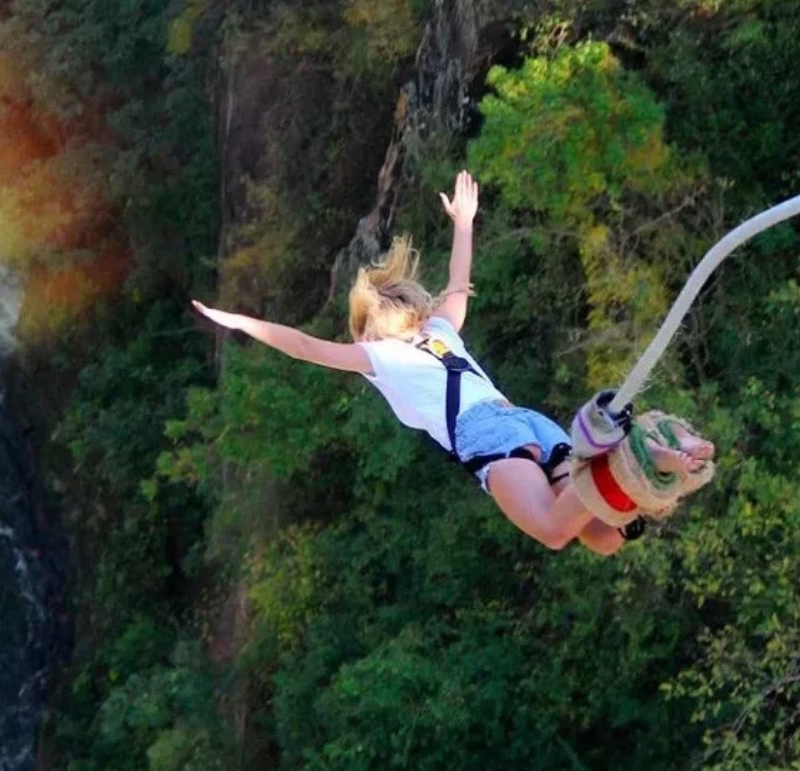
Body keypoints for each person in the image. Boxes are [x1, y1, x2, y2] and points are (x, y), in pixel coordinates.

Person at [192, 171, 713, 555]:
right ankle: (650, 460)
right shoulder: (439, 329)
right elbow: (459, 284)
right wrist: (464, 222)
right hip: (525, 419)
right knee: (601, 536)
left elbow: (306, 347)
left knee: (558, 531)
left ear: (367, 328)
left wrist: (239, 322)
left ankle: (635, 448)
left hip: (486, 435)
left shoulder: (383, 356)